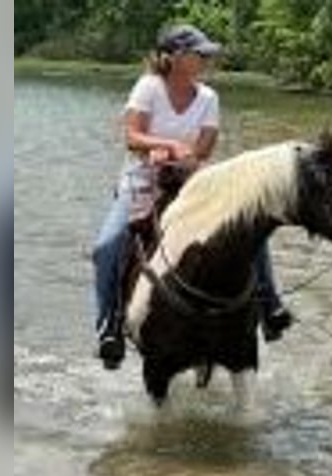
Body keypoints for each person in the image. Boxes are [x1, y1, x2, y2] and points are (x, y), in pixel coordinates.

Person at [92, 24, 292, 369]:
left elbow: (203, 150)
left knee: (247, 226)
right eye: (199, 54)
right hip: (141, 180)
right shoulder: (149, 87)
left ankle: (269, 305)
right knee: (107, 246)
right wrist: (165, 146)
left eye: (206, 54)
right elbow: (131, 136)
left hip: (192, 182)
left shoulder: (209, 98)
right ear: (174, 57)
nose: (206, 59)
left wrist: (181, 159)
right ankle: (109, 326)